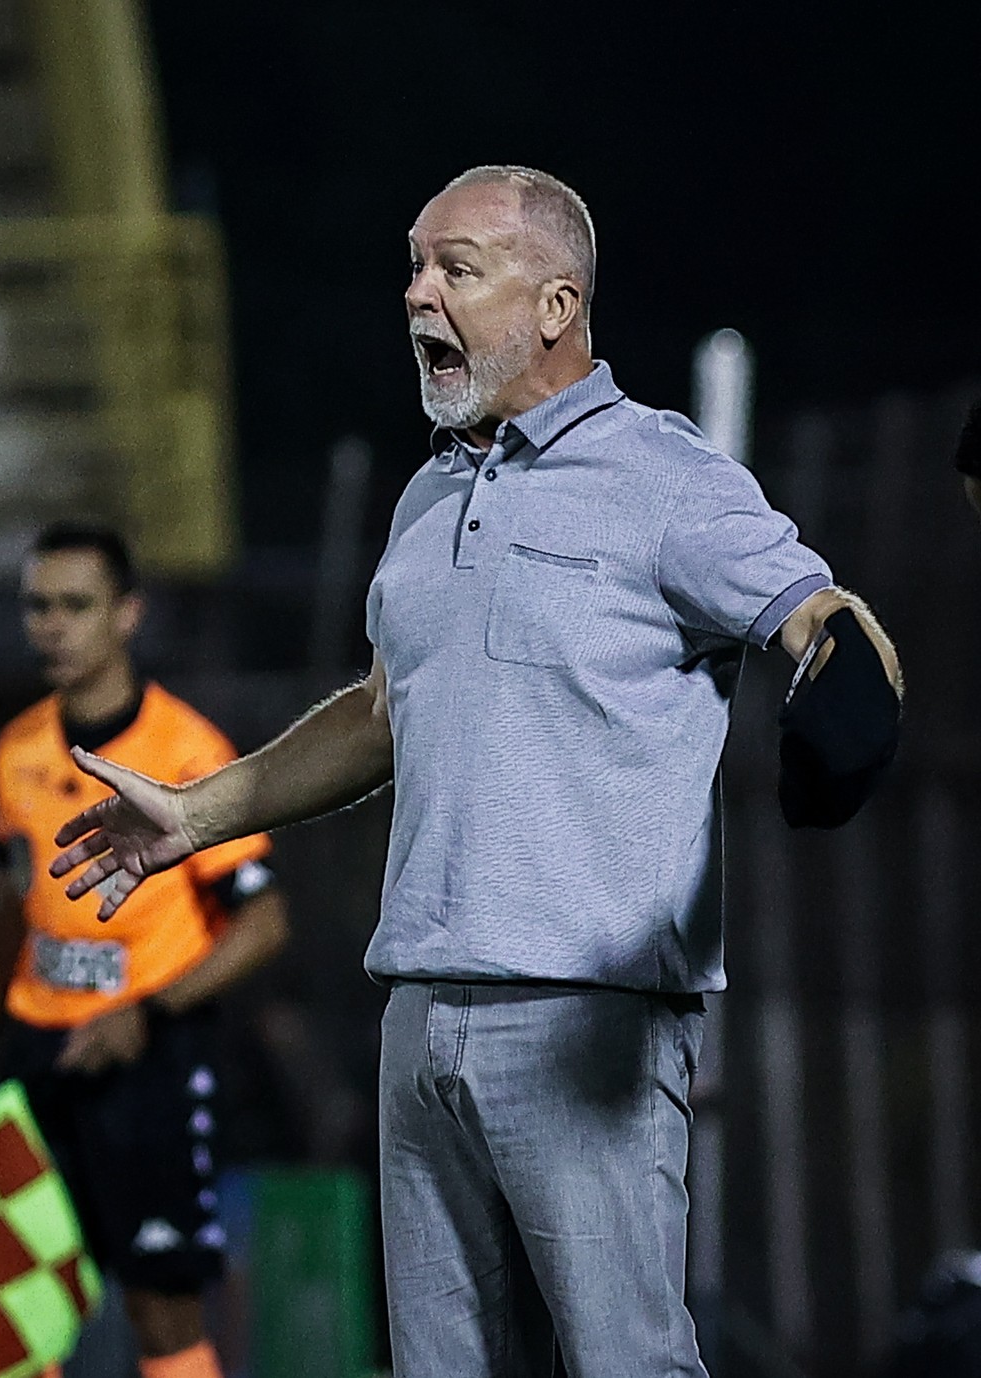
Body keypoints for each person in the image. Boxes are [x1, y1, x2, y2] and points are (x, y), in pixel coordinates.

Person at [47, 168, 902, 1378]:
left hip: (584, 1013)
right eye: (414, 264)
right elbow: (389, 710)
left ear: (556, 306)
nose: (416, 295)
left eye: (456, 268)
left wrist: (849, 703)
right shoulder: (428, 492)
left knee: (626, 1363)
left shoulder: (661, 474)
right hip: (417, 1008)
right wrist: (194, 812)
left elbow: (824, 621)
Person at [0, 523, 289, 1378]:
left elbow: (265, 922)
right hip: (38, 1058)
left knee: (162, 1308)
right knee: (20, 1312)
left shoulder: (189, 752)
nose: (52, 626)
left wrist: (148, 1011)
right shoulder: (14, 752)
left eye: (76, 605)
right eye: (37, 606)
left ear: (128, 615)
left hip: (151, 1061)